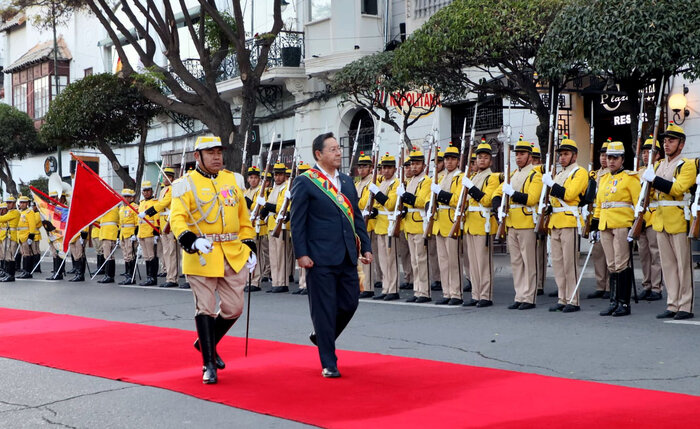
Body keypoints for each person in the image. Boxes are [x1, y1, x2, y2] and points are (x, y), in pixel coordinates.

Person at [170, 135, 257, 384]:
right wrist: (192, 240)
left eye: (219, 151)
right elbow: (177, 218)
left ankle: (205, 342)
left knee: (234, 308)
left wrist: (249, 246)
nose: (217, 156)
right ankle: (208, 364)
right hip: (203, 254)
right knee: (205, 307)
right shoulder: (185, 183)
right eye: (211, 152)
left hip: (232, 251)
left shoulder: (232, 180)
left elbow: (244, 219)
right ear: (198, 156)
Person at [290, 132, 372, 378]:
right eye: (333, 149)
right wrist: (301, 254)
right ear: (319, 154)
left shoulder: (346, 182)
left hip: (347, 254)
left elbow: (357, 217)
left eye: (338, 148)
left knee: (350, 302)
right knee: (324, 309)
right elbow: (298, 222)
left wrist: (365, 246)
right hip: (320, 257)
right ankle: (329, 361)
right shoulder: (305, 182)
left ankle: (322, 336)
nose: (338, 153)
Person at [642, 122, 696, 320]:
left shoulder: (687, 165)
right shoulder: (657, 165)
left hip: (679, 219)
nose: (666, 144)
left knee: (683, 265)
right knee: (668, 266)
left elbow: (677, 189)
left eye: (671, 141)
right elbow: (655, 195)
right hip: (661, 219)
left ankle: (685, 305)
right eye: (665, 141)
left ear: (681, 144)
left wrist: (655, 181)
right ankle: (672, 303)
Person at [591, 141, 640, 317]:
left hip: (621, 224)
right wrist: (594, 225)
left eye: (615, 158)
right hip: (605, 224)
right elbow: (599, 204)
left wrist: (635, 228)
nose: (611, 161)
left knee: (621, 264)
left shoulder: (630, 178)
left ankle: (623, 303)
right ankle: (613, 301)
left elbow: (639, 204)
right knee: (611, 264)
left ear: (622, 159)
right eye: (609, 157)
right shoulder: (604, 178)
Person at [493, 137, 542, 310]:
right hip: (511, 222)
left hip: (527, 221)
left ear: (529, 156)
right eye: (517, 154)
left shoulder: (536, 174)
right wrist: (497, 206)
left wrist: (512, 192)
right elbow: (497, 193)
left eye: (522, 154)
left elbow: (532, 198)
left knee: (529, 261)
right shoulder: (512, 174)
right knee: (516, 262)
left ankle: (529, 297)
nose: (518, 157)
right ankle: (519, 295)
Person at [542, 135, 589, 313]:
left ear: (574, 156)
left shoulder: (580, 172)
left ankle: (573, 299)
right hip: (555, 222)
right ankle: (562, 297)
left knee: (570, 263)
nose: (562, 157)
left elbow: (569, 194)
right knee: (558, 263)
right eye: (560, 154)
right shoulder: (560, 174)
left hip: (569, 221)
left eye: (566, 154)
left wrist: (551, 184)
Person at [460, 140, 501, 307]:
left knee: (483, 263)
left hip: (483, 223)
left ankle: (486, 295)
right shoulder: (474, 177)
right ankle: (476, 294)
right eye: (479, 158)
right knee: (474, 264)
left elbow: (487, 200)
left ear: (490, 161)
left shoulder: (492, 178)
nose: (481, 160)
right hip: (470, 223)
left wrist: (472, 188)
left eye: (485, 158)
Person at [429, 144, 464, 305]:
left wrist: (440, 194)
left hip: (451, 221)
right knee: (443, 261)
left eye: (452, 159)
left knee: (453, 261)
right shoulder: (441, 177)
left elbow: (458, 200)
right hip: (439, 222)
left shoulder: (460, 177)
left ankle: (456, 293)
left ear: (458, 161)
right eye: (447, 159)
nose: (449, 162)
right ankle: (447, 292)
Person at [401, 147, 432, 303]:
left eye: (417, 164)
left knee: (421, 259)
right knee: (414, 260)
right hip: (409, 225)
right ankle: (417, 290)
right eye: (412, 164)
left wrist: (406, 196)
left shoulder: (426, 181)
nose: (413, 167)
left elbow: (421, 201)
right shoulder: (410, 180)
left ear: (423, 165)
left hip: (419, 224)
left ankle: (424, 291)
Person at [368, 153, 400, 301]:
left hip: (390, 225)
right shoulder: (381, 183)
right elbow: (377, 205)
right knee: (382, 260)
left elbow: (390, 204)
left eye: (389, 168)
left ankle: (393, 289)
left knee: (390, 260)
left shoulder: (396, 183)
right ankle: (386, 287)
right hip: (380, 225)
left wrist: (377, 193)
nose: (386, 171)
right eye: (383, 168)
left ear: (394, 169)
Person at [637, 137, 664, 301]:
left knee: (655, 253)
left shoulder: (660, 168)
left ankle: (656, 287)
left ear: (657, 154)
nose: (646, 155)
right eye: (644, 152)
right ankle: (646, 284)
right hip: (642, 215)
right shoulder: (639, 170)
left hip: (654, 214)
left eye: (650, 152)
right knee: (643, 254)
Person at [143, 167, 179, 288]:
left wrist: (149, 211)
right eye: (164, 177)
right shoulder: (164, 190)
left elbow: (163, 204)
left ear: (172, 178)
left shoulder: (172, 189)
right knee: (166, 253)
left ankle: (172, 278)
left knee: (171, 252)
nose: (164, 179)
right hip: (163, 224)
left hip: (170, 223)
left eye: (167, 177)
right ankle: (169, 275)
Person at [260, 162, 291, 293]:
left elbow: (281, 208)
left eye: (280, 175)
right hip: (271, 225)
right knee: (273, 256)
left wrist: (267, 206)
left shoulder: (285, 189)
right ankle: (276, 281)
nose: (278, 177)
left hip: (280, 224)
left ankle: (282, 282)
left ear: (284, 175)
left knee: (280, 255)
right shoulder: (273, 189)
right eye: (276, 175)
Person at [587, 139, 611, 299]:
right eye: (602, 155)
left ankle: (610, 286)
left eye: (607, 155)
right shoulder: (595, 174)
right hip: (595, 215)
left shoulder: (613, 174)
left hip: (608, 215)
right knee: (597, 253)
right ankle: (600, 285)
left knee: (610, 253)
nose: (603, 158)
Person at [355, 153, 375, 299]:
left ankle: (368, 287)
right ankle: (361, 285)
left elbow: (364, 202)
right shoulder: (357, 184)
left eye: (365, 166)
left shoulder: (370, 183)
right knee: (359, 257)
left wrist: (355, 200)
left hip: (367, 221)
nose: (362, 169)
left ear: (370, 168)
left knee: (366, 255)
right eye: (360, 166)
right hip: (357, 221)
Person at [137, 181, 160, 286]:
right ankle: (148, 277)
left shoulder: (154, 202)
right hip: (142, 232)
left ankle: (153, 278)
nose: (146, 193)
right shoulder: (141, 203)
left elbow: (157, 218)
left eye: (148, 191)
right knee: (146, 256)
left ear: (151, 191)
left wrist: (156, 232)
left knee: (151, 256)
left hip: (150, 232)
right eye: (144, 191)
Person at [118, 189, 139, 285]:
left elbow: (137, 222)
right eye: (124, 196)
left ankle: (131, 276)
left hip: (130, 234)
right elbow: (120, 223)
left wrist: (135, 234)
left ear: (132, 198)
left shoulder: (134, 207)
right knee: (126, 256)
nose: (125, 198)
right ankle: (127, 275)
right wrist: (118, 236)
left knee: (130, 255)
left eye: (127, 197)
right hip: (123, 234)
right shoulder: (122, 208)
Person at [15, 196, 38, 279]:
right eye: (21, 202)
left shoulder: (30, 212)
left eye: (24, 203)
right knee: (24, 254)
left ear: (27, 203)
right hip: (20, 237)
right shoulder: (20, 212)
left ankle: (27, 272)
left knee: (27, 255)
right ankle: (25, 271)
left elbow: (32, 225)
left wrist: (31, 236)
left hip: (26, 236)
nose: (22, 204)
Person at [97, 204, 120, 283]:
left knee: (108, 256)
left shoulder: (111, 207)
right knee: (108, 255)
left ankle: (109, 275)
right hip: (106, 234)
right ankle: (108, 275)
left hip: (109, 234)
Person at [0, 197, 19, 282]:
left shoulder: (14, 212)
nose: (8, 204)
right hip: (8, 236)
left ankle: (11, 275)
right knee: (7, 256)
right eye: (7, 203)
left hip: (12, 237)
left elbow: (2, 218)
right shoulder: (11, 212)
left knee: (10, 256)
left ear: (14, 204)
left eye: (10, 203)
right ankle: (8, 274)